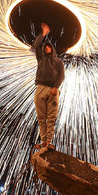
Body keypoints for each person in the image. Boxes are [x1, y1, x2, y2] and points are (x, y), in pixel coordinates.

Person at [32, 22, 65, 150]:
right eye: (44, 47)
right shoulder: (41, 59)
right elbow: (36, 45)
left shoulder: (58, 62)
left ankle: (49, 141)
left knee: (51, 118)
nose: (45, 48)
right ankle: (43, 141)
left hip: (53, 90)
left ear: (52, 48)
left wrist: (56, 87)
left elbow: (61, 76)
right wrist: (43, 34)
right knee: (41, 118)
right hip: (40, 88)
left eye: (48, 47)